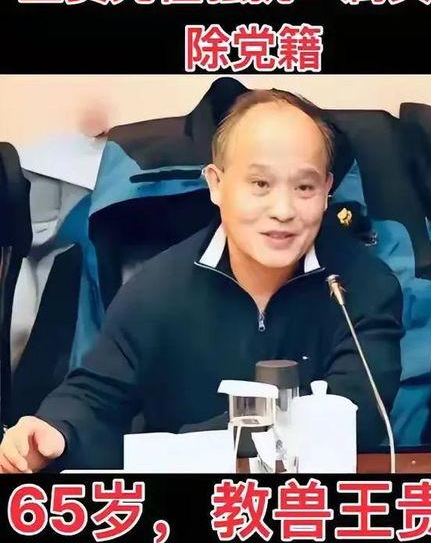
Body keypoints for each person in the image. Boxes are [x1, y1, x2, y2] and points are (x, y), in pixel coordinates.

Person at [0, 89, 403, 473]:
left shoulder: (363, 285)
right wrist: (55, 431)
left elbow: (356, 416)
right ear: (216, 184)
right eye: (260, 184)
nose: (283, 210)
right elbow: (95, 396)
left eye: (304, 187)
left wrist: (183, 444)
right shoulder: (157, 289)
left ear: (327, 190)